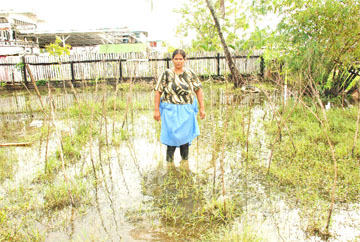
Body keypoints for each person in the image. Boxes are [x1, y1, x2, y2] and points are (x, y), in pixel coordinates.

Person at [154, 49, 205, 163]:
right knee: (171, 139)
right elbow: (158, 92)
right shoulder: (166, 74)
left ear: (184, 60)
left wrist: (202, 108)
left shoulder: (190, 74)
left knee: (185, 140)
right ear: (172, 60)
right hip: (170, 110)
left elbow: (198, 90)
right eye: (176, 59)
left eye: (180, 59)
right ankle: (169, 165)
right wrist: (156, 110)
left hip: (186, 110)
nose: (178, 61)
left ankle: (185, 164)